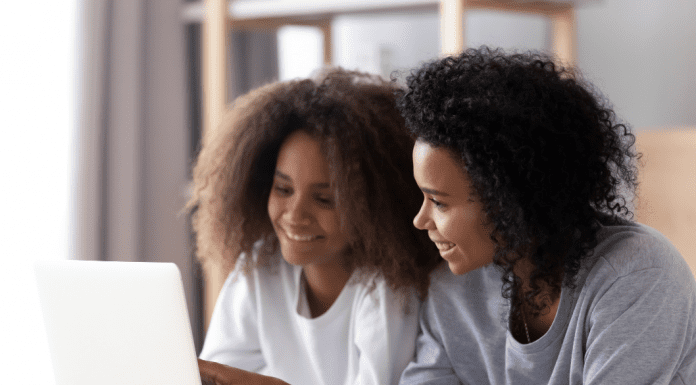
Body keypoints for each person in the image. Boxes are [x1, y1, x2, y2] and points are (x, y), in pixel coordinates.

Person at [396, 46, 696, 384]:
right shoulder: (452, 290)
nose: (420, 221)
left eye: (439, 203)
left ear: (508, 198)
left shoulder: (637, 275)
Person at [187, 67, 441, 385]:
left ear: (375, 206)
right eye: (283, 189)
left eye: (324, 199)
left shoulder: (388, 289)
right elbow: (216, 373)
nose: (295, 214)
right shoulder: (260, 265)